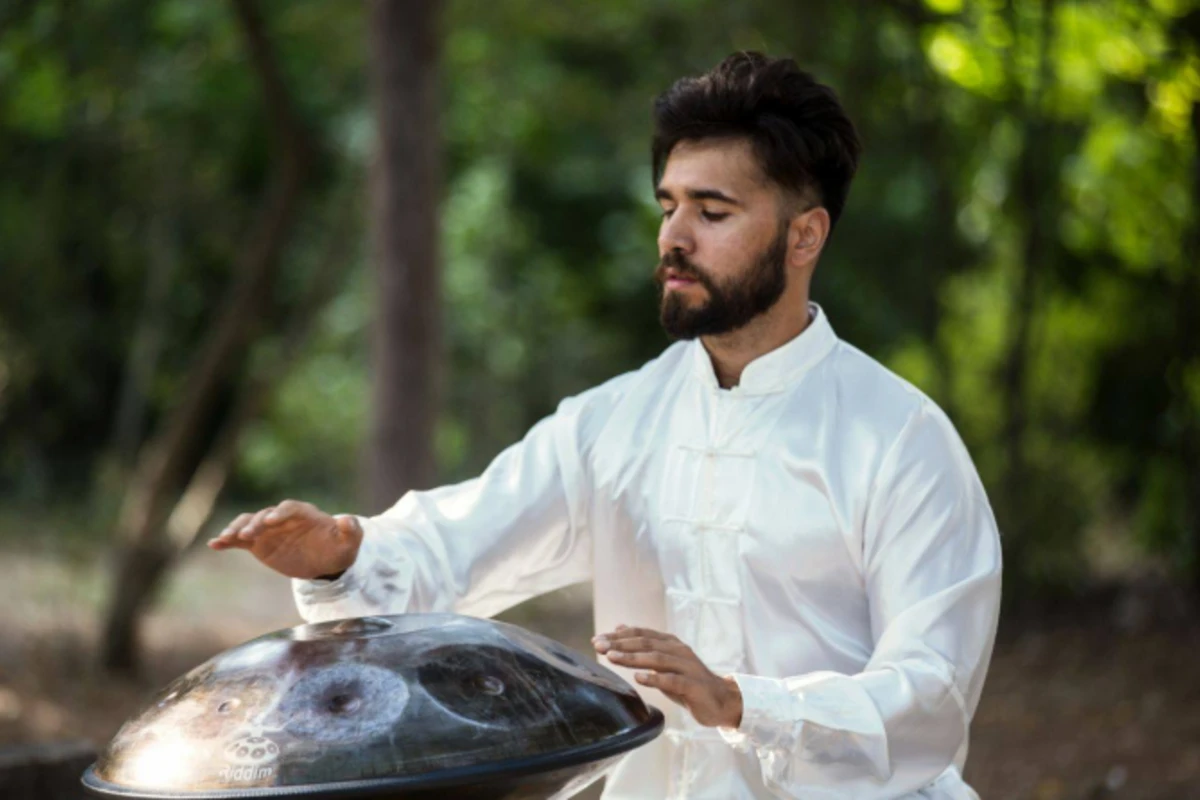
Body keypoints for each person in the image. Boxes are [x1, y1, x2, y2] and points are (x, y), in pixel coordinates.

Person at [209, 52, 1002, 800]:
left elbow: (932, 693)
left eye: (712, 211)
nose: (673, 238)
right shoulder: (614, 423)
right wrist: (344, 552)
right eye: (668, 206)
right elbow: (461, 543)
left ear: (805, 235)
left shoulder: (899, 438)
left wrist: (740, 702)